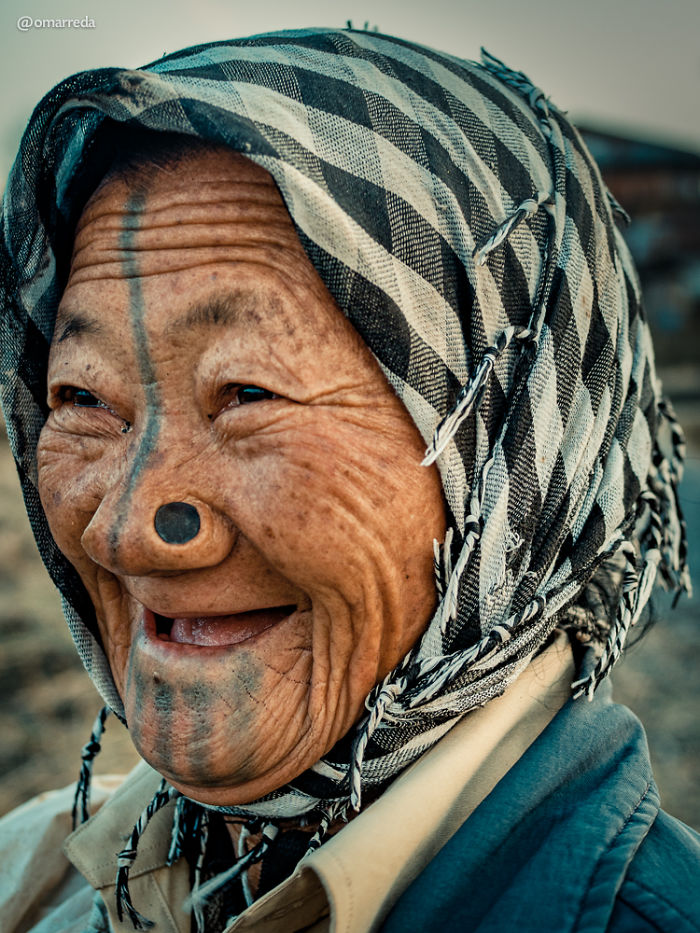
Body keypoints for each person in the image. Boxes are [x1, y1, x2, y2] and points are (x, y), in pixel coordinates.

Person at [0, 27, 698, 933]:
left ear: (514, 458)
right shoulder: (37, 877)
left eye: (248, 392)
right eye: (85, 397)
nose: (124, 529)